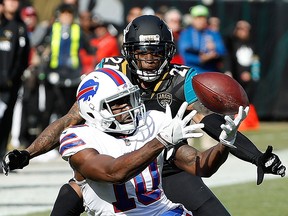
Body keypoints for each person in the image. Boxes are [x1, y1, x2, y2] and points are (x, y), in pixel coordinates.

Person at [2, 15, 286, 216]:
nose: (150, 58)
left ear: (168, 52)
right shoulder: (111, 71)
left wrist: (254, 155)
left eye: (156, 52)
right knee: (75, 189)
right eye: (142, 52)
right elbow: (72, 117)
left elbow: (207, 120)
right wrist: (28, 153)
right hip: (114, 153)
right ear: (128, 53)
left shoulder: (180, 79)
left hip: (166, 161)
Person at [59, 67, 246, 215]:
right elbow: (113, 173)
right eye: (116, 103)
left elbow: (201, 166)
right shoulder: (78, 138)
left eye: (128, 98)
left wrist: (224, 144)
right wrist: (160, 141)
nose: (127, 106)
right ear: (92, 110)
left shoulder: (152, 121)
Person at [0, 0, 30, 167]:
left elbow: (23, 56)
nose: (13, 4)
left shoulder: (20, 27)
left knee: (6, 120)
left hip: (11, 84)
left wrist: (14, 77)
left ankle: (1, 158)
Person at [224, 20, 260, 130]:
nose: (243, 32)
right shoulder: (232, 44)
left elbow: (255, 61)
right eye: (240, 29)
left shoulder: (252, 45)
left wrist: (253, 74)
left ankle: (248, 121)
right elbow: (229, 60)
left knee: (248, 99)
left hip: (248, 79)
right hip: (236, 77)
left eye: (245, 29)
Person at [178, 5, 226, 73]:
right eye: (198, 18)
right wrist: (200, 59)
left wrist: (214, 49)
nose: (201, 21)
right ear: (193, 19)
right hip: (193, 72)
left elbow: (222, 50)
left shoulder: (213, 33)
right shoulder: (186, 34)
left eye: (203, 18)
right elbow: (185, 54)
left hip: (211, 71)